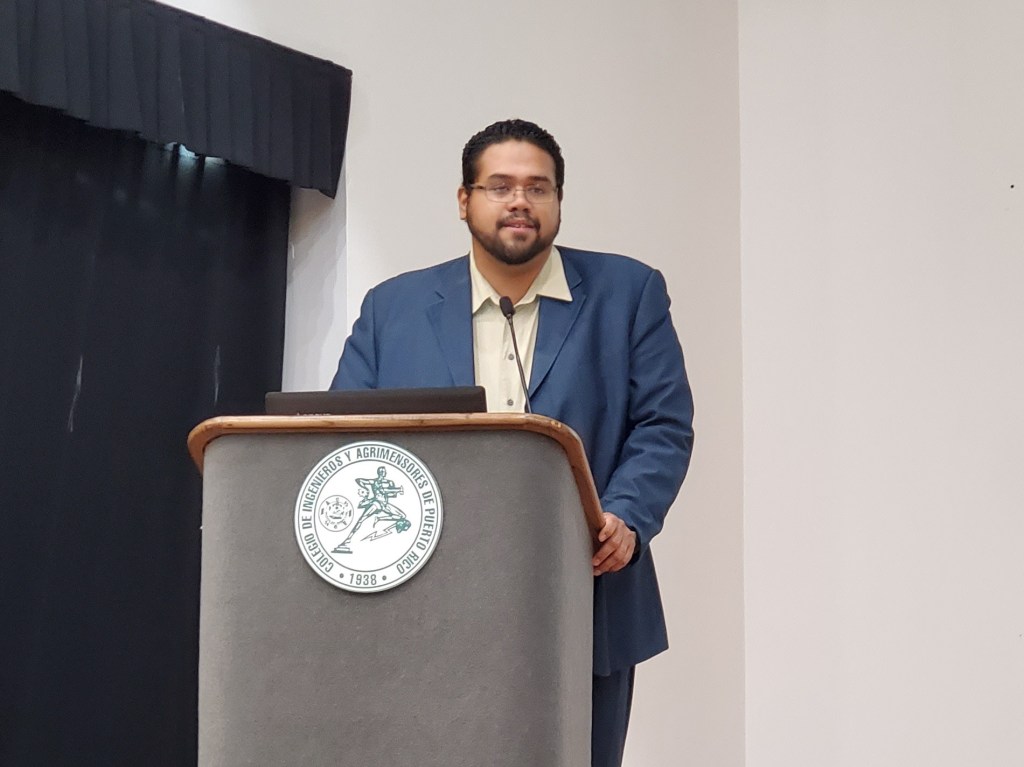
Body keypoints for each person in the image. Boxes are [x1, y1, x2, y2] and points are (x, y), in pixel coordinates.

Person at [331, 118, 694, 767]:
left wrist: (627, 516)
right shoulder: (394, 308)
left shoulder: (629, 293)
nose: (520, 200)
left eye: (538, 187)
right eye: (499, 185)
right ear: (464, 200)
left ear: (558, 201)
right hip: (423, 607)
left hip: (584, 598)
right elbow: (344, 436)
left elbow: (663, 423)